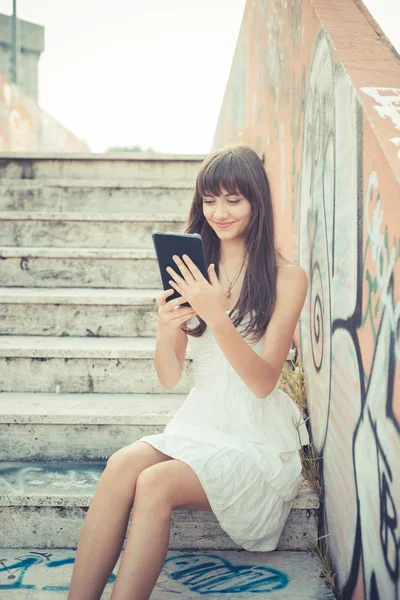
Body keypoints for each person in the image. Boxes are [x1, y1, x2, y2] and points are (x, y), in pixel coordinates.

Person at [67, 144, 310, 600]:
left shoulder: (286, 277)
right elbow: (169, 375)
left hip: (253, 438)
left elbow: (262, 383)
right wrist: (166, 328)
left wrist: (215, 314)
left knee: (155, 483)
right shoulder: (191, 266)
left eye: (233, 199)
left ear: (257, 201)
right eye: (209, 199)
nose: (219, 212)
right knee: (122, 464)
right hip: (199, 422)